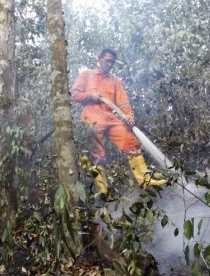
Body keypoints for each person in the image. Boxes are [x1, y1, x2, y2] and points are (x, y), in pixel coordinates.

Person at [70, 48, 166, 194]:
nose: (109, 64)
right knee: (98, 154)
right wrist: (90, 95)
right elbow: (74, 94)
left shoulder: (115, 81)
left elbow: (124, 104)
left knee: (132, 142)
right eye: (107, 60)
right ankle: (103, 190)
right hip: (92, 117)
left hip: (111, 118)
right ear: (99, 59)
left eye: (112, 62)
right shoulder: (86, 75)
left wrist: (129, 116)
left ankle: (145, 180)